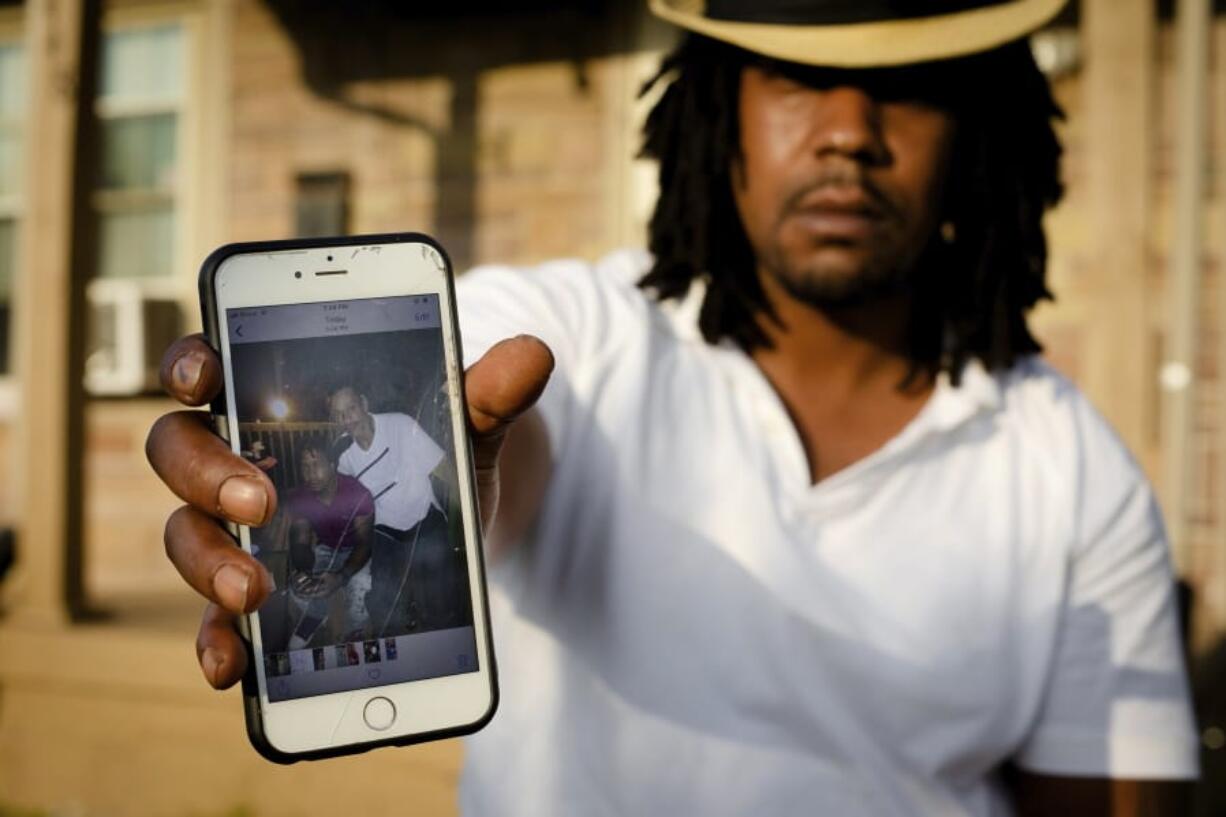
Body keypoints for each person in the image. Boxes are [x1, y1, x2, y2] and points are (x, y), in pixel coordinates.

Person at [147, 1, 1199, 813]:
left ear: (978, 132)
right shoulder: (581, 331)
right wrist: (449, 464)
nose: (848, 133)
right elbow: (492, 396)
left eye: (908, 85)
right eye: (795, 76)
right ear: (714, 110)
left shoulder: (1072, 465)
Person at [328, 384, 457, 633]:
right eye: (339, 414)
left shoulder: (400, 425)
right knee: (383, 603)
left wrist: (473, 511)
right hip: (385, 530)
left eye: (351, 409)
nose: (346, 419)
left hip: (424, 518)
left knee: (439, 601)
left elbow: (444, 468)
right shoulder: (343, 455)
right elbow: (344, 504)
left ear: (364, 404)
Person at [281, 439, 374, 649]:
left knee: (359, 591)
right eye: (305, 466)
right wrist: (302, 572)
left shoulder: (357, 493)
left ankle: (355, 634)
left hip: (358, 551)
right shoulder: (300, 497)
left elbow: (365, 544)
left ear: (332, 465)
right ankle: (314, 618)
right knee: (304, 589)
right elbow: (300, 541)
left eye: (317, 465)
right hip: (328, 547)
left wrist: (341, 577)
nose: (310, 473)